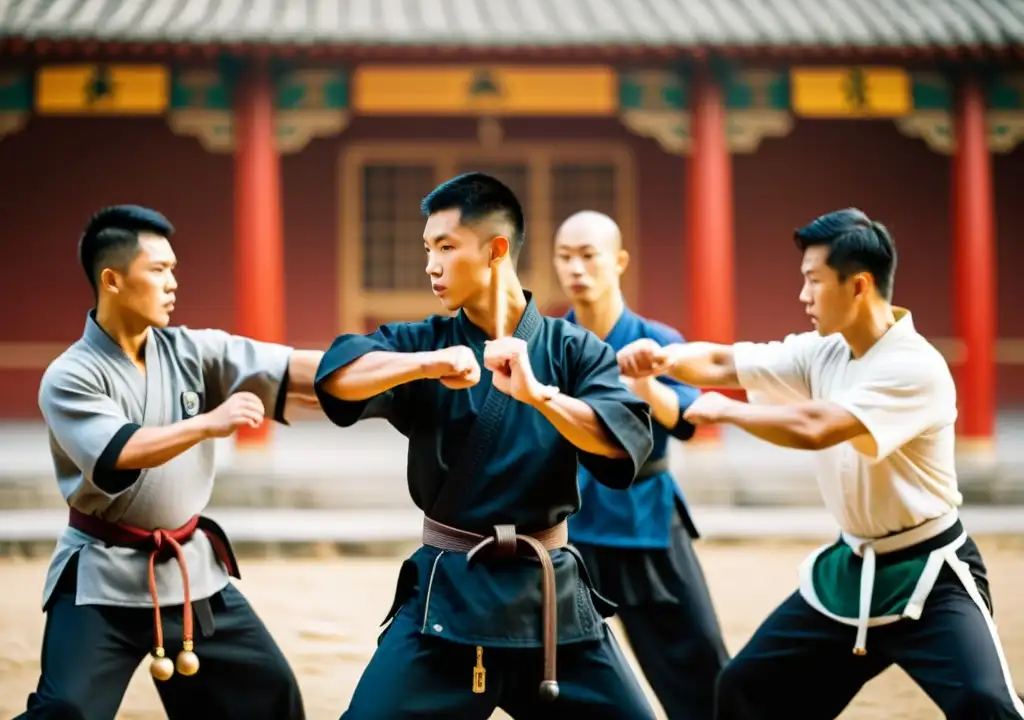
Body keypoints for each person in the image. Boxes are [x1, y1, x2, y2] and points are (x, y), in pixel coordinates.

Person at [619, 208, 1024, 719]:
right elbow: (727, 362)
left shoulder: (914, 366)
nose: (803, 296)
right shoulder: (824, 351)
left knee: (985, 703)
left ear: (858, 286)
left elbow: (818, 426)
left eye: (813, 281)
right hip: (851, 571)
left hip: (931, 573)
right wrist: (664, 359)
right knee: (745, 688)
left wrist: (725, 410)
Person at [314, 173, 658, 719]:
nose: (431, 264)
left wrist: (540, 396)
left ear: (496, 250)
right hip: (448, 591)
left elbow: (622, 445)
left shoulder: (573, 351)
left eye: (446, 247)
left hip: (550, 603)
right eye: (428, 248)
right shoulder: (423, 343)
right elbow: (337, 377)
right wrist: (428, 365)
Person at [20, 205, 320, 720]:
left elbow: (294, 368)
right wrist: (208, 423)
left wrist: (413, 368)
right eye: (158, 270)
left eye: (173, 270)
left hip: (187, 573)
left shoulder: (193, 350)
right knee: (66, 711)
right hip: (100, 573)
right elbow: (117, 453)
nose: (172, 283)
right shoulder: (70, 374)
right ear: (112, 279)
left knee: (267, 691)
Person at [553, 210, 728, 719]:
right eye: (565, 257)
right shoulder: (546, 342)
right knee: (568, 672)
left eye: (588, 256)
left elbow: (688, 422)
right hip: (572, 528)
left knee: (697, 660)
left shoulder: (657, 340)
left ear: (619, 261)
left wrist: (646, 383)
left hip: (646, 523)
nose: (576, 268)